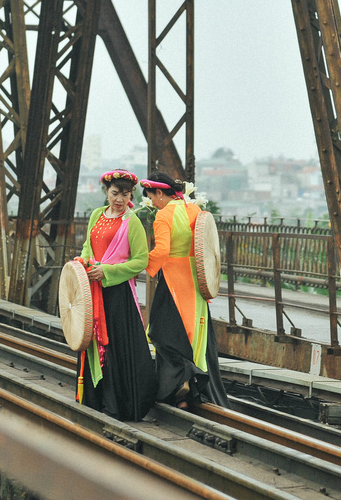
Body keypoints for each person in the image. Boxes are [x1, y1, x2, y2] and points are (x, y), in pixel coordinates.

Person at [140, 171, 229, 409]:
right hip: (198, 280)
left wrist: (138, 264)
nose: (151, 201)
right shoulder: (194, 210)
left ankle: (179, 383)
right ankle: (195, 385)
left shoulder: (162, 216)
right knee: (196, 334)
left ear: (159, 193)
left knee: (162, 331)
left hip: (173, 280)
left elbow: (162, 252)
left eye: (150, 196)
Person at [76, 169, 157, 421]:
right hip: (94, 289)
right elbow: (88, 246)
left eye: (125, 194)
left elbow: (141, 260)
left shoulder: (131, 222)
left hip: (118, 295)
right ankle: (95, 399)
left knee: (115, 347)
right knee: (92, 341)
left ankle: (117, 404)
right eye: (114, 193)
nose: (119, 199)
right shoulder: (96, 215)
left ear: (130, 195)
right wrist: (84, 262)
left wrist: (107, 271)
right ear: (106, 193)